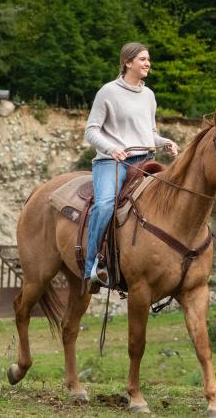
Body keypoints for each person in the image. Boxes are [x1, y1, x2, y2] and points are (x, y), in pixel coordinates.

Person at [81, 42, 179, 287]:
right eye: (142, 59)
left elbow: (150, 133)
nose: (148, 63)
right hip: (111, 162)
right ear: (127, 62)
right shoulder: (108, 92)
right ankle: (92, 266)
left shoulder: (149, 95)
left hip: (144, 161)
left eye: (148, 59)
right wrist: (111, 149)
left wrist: (165, 142)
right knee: (105, 205)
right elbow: (91, 130)